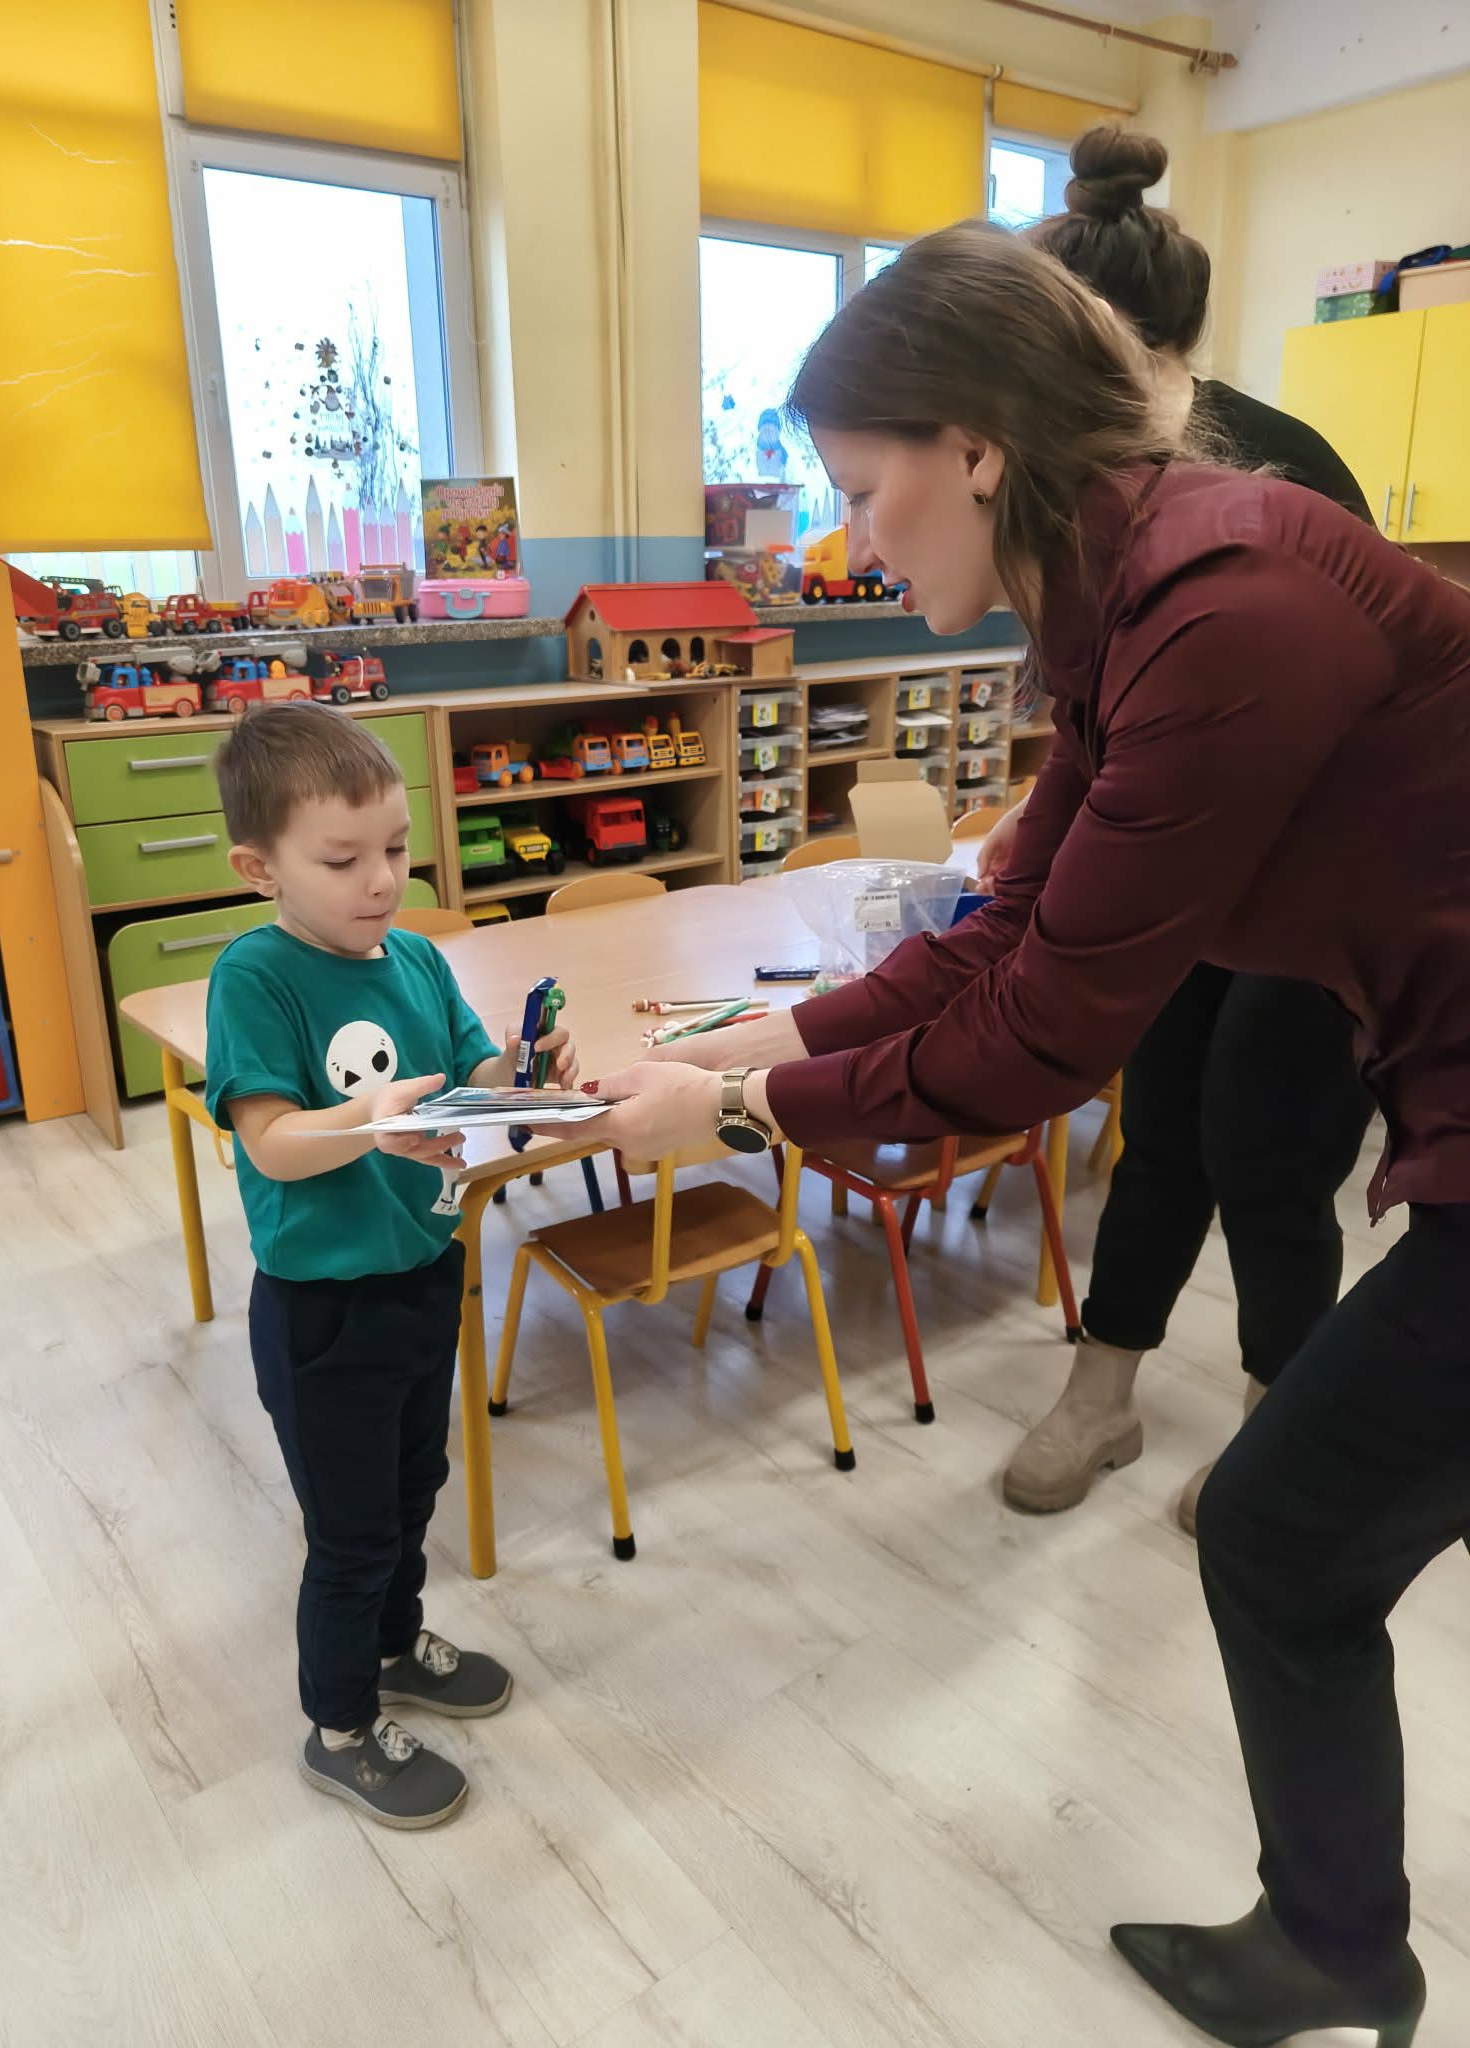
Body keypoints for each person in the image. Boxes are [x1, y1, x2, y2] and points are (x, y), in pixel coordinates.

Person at [584, 222, 1470, 2046]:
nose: (850, 537)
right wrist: (776, 1032)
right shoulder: (1123, 605)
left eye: (864, 488)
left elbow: (1050, 1034)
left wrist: (738, 1110)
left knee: (1282, 1532)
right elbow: (1006, 918)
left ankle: (1335, 1950)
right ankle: (1337, 1941)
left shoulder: (1224, 611)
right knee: (1305, 1532)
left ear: (977, 444)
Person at [982, 126, 1377, 1528]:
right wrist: (1042, 820)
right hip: (1192, 867)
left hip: (1329, 881)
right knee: (1160, 1130)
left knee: (1270, 1153)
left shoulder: (1279, 469)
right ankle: (1103, 1393)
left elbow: (1318, 727)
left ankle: (1284, 1432)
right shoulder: (1075, 476)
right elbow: (1107, 701)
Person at [204, 701, 577, 1828]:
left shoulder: (414, 956)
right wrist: (368, 1120)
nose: (381, 880)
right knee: (351, 1534)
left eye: (397, 848)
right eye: (342, 859)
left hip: (423, 1273)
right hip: (322, 1312)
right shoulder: (255, 978)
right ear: (258, 867)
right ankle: (340, 1728)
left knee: (414, 1492)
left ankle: (393, 1646)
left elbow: (472, 1077)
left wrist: (525, 1067)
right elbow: (271, 1141)